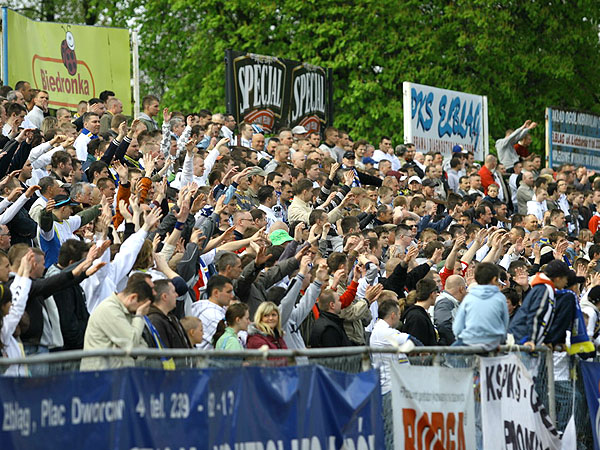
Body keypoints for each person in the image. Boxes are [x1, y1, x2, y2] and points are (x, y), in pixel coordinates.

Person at [81, 274, 155, 370]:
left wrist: (129, 349)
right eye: (140, 306)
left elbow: (143, 346)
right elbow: (132, 343)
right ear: (132, 298)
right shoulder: (109, 309)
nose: (140, 310)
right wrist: (139, 315)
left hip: (119, 374)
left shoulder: (126, 310)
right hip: (101, 376)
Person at [508, 260, 570, 347]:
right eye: (566, 278)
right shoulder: (544, 289)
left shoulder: (546, 288)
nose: (567, 282)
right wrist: (531, 340)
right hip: (521, 339)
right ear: (558, 278)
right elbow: (535, 315)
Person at [452, 263, 509, 348]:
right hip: (493, 343)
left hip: (469, 342)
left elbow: (458, 327)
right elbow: (505, 324)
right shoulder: (500, 298)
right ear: (494, 280)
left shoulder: (468, 298)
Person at [191, 274, 234, 349]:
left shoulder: (218, 310)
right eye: (228, 292)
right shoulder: (211, 315)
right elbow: (231, 341)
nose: (232, 296)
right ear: (216, 293)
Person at [402, 278, 439, 346]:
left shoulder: (418, 314)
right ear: (432, 294)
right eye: (436, 292)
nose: (437, 295)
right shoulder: (417, 316)